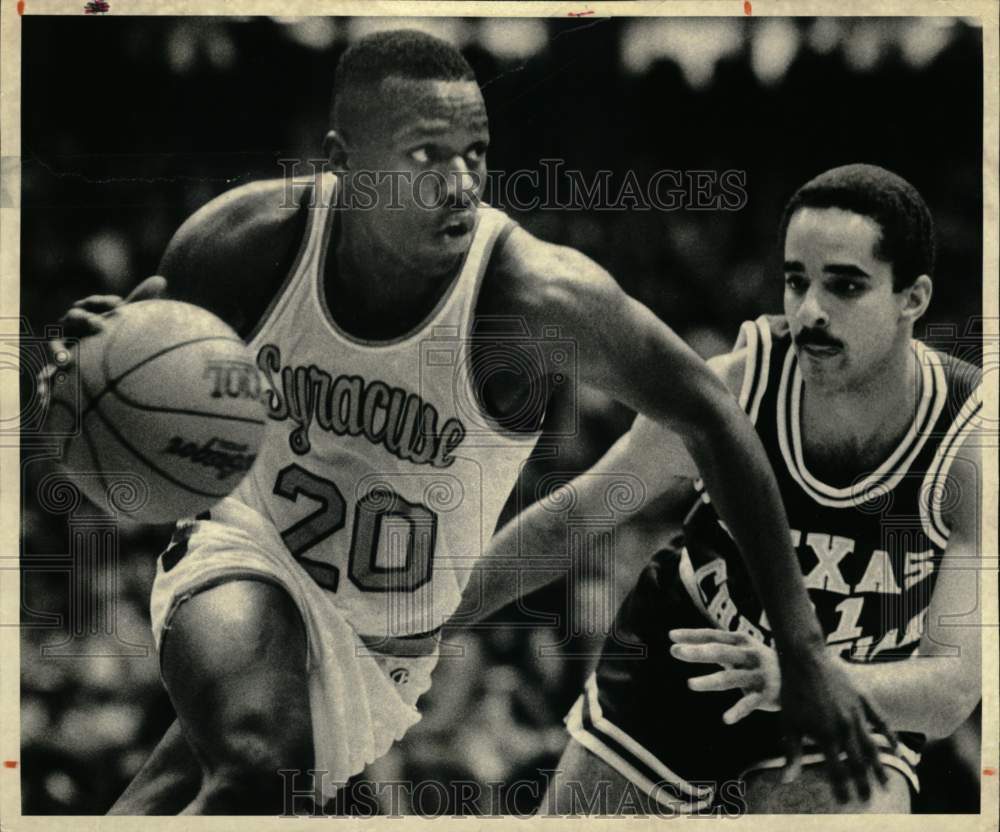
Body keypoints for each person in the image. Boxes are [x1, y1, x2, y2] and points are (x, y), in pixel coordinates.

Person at [48, 32, 881, 815]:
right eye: (425, 155)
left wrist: (804, 647)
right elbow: (139, 363)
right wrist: (85, 359)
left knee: (186, 792)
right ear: (345, 164)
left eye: (474, 153)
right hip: (248, 551)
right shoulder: (246, 242)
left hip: (387, 652)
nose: (461, 182)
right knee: (261, 766)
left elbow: (713, 415)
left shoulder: (535, 297)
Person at [498, 164, 983, 814]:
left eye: (844, 285)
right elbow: (579, 514)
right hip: (687, 658)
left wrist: (805, 678)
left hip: (853, 689)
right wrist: (426, 621)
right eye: (796, 281)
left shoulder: (970, 443)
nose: (810, 310)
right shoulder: (740, 385)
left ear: (913, 298)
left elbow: (951, 692)